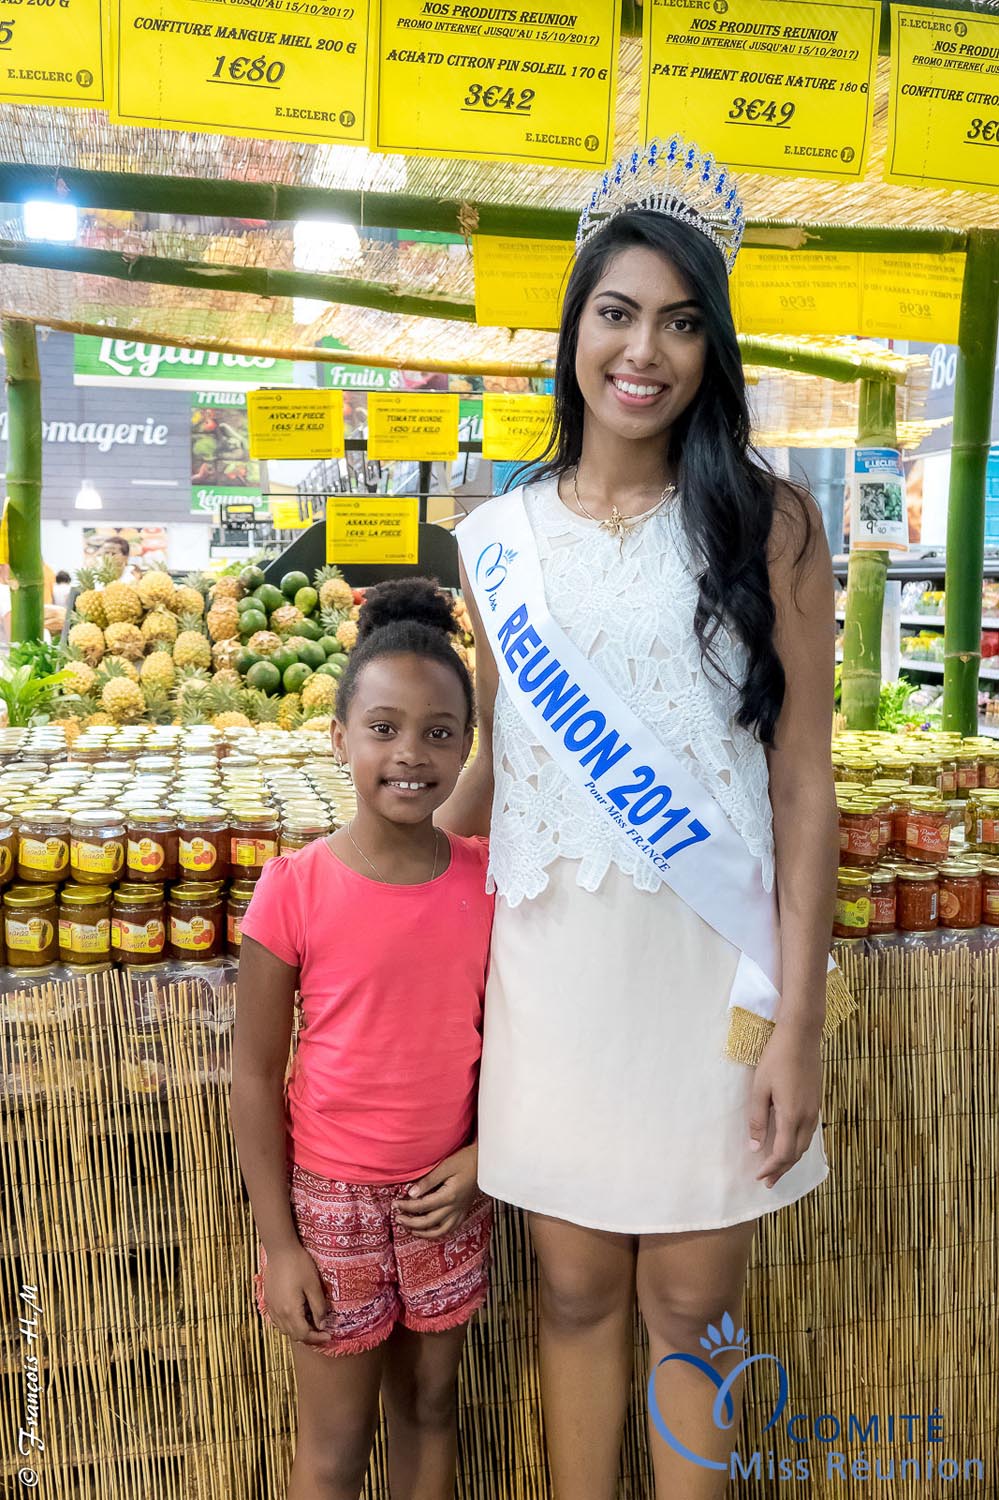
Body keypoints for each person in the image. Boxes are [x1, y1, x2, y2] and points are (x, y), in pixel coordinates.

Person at [440, 136, 841, 1498]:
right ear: (573, 330)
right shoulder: (497, 540)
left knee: (686, 1305)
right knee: (567, 1297)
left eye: (679, 322)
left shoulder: (770, 528)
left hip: (707, 983)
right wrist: (384, 847)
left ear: (708, 349)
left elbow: (799, 783)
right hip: (553, 975)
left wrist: (798, 1019)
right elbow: (499, 761)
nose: (641, 350)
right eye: (616, 312)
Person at [230, 578, 495, 1500]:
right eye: (381, 728)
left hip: (448, 1198)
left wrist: (482, 1159)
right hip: (328, 1212)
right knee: (336, 1447)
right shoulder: (292, 888)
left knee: (432, 1409)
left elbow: (517, 1048)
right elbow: (255, 1076)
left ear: (467, 745)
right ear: (339, 737)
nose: (409, 754)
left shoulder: (488, 882)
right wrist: (282, 1243)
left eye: (437, 732)